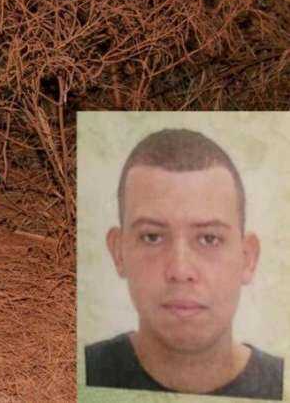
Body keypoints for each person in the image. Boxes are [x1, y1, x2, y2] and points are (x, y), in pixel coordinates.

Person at [85, 128, 284, 400]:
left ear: (247, 258)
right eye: (152, 237)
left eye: (209, 239)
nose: (180, 271)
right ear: (118, 253)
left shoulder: (281, 386)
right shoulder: (84, 373)